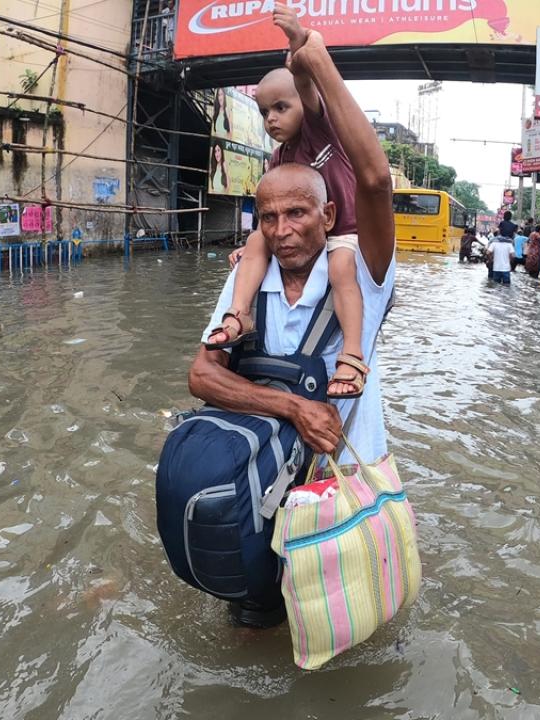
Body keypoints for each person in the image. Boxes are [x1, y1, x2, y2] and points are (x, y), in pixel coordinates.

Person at [187, 28, 396, 625]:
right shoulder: (247, 280)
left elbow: (376, 179)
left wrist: (316, 61)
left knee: (344, 628)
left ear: (328, 216)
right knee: (253, 624)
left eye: (299, 214)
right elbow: (201, 375)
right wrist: (291, 408)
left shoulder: (361, 271)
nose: (282, 230)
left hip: (341, 489)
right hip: (261, 487)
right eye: (269, 217)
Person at [207, 5, 368, 399]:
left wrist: (299, 45)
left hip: (344, 229)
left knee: (343, 268)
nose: (271, 120)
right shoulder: (278, 160)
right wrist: (250, 248)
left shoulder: (319, 128)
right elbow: (270, 217)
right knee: (258, 241)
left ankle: (351, 352)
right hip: (307, 234)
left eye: (281, 107)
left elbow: (307, 86)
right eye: (264, 112)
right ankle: (238, 313)